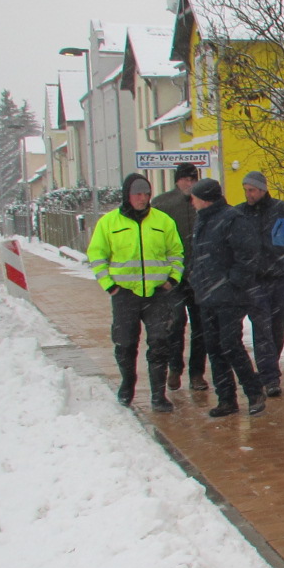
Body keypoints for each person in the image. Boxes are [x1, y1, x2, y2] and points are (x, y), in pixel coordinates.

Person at [86, 173, 184, 412]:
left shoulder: (163, 221)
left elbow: (176, 253)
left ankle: (158, 395)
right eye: (137, 194)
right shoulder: (109, 223)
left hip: (157, 294)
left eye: (146, 194)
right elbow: (96, 256)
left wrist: (172, 279)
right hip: (125, 295)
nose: (143, 198)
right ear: (126, 196)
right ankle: (127, 384)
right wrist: (110, 286)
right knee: (125, 344)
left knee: (160, 343)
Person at [187, 178, 267, 418]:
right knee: (214, 347)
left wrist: (233, 282)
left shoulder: (232, 219)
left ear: (204, 198)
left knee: (230, 344)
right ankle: (226, 399)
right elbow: (200, 256)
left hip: (230, 296)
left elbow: (248, 255)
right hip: (208, 295)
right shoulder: (203, 219)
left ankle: (254, 392)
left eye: (194, 197)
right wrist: (195, 277)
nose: (191, 202)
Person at [239, 171, 284, 399]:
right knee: (262, 329)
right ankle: (270, 378)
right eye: (246, 190)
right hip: (255, 281)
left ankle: (269, 369)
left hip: (281, 279)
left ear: (263, 189)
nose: (249, 194)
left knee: (279, 328)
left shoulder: (283, 210)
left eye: (252, 190)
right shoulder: (239, 214)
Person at [151, 163, 206, 392]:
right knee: (175, 324)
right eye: (185, 179)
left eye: (193, 179)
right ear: (177, 180)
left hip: (200, 275)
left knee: (201, 327)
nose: (189, 183)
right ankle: (175, 368)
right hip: (173, 276)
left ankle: (197, 373)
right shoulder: (162, 204)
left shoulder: (204, 202)